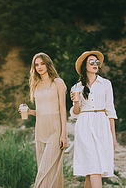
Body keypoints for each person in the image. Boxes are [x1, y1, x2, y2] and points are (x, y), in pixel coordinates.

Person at [70, 51, 117, 188]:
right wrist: (76, 102)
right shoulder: (77, 87)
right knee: (94, 166)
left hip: (102, 125)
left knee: (92, 169)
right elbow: (75, 113)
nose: (95, 64)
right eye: (91, 62)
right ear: (85, 66)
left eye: (97, 62)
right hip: (84, 126)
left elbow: (110, 110)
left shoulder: (106, 84)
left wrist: (113, 136)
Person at [22, 52, 68, 188]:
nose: (39, 67)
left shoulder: (58, 82)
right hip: (40, 130)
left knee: (44, 171)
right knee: (51, 170)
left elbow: (62, 109)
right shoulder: (35, 85)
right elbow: (42, 111)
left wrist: (64, 135)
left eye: (42, 63)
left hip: (55, 130)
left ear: (48, 64)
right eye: (36, 65)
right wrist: (30, 112)